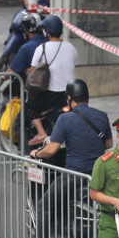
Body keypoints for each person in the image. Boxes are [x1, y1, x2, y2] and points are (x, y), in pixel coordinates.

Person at [27, 79, 111, 238]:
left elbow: (51, 150)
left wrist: (36, 153)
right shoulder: (102, 115)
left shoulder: (65, 119)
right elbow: (109, 144)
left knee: (44, 206)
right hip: (98, 175)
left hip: (74, 176)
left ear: (69, 99)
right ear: (87, 97)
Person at [25, 16, 78, 146]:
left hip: (49, 95)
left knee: (29, 105)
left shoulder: (42, 48)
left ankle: (41, 132)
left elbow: (32, 70)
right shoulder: (71, 47)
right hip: (68, 95)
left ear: (47, 31)